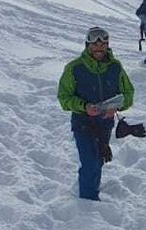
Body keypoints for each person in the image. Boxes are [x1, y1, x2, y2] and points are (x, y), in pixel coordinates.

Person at [56, 26, 134, 201]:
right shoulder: (74, 68)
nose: (99, 49)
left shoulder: (115, 67)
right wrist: (84, 106)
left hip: (105, 123)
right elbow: (63, 97)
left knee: (98, 160)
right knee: (90, 162)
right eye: (95, 45)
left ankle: (91, 191)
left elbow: (129, 93)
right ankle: (87, 203)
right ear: (87, 45)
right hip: (82, 122)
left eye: (103, 45)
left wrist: (116, 107)